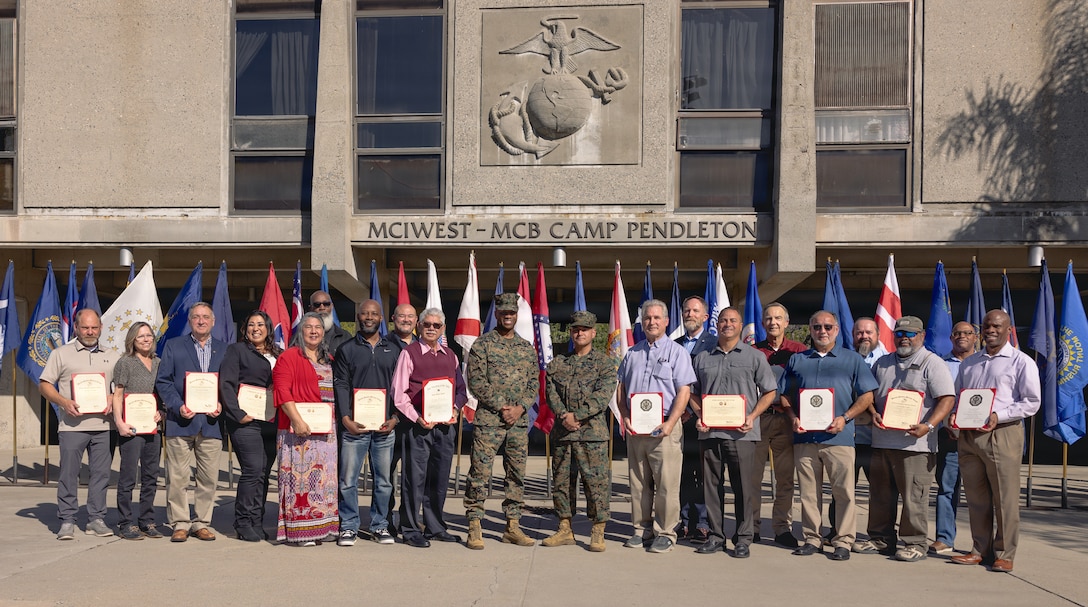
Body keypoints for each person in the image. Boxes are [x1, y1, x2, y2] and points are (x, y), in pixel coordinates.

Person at [779, 310, 878, 561]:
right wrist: (793, 418)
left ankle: (843, 540)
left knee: (843, 492)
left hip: (839, 439)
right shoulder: (797, 360)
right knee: (809, 494)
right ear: (810, 330)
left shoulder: (852, 359)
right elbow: (784, 395)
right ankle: (812, 538)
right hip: (805, 439)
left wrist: (845, 418)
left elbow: (867, 395)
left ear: (836, 329)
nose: (822, 331)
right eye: (816, 327)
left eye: (828, 327)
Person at [857, 316, 955, 562]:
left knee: (914, 497)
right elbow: (868, 394)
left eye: (910, 334)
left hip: (916, 445)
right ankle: (880, 539)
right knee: (880, 495)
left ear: (921, 336)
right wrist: (872, 413)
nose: (904, 338)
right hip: (881, 442)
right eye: (900, 333)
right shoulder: (882, 363)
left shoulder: (932, 363)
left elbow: (947, 399)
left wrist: (929, 425)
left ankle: (915, 543)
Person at [950, 309, 1040, 573]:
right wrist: (955, 415)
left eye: (997, 326)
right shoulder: (970, 363)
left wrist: (999, 415)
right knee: (976, 497)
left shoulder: (1021, 362)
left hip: (1002, 433)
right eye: (987, 325)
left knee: (1005, 498)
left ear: (1008, 330)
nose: (991, 330)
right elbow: (959, 396)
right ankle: (980, 549)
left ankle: (1004, 553)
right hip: (969, 436)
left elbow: (1032, 402)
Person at [689, 308, 777, 558]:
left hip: (743, 435)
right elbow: (691, 391)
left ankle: (743, 538)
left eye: (733, 320)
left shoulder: (755, 356)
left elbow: (770, 391)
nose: (728, 324)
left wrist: (752, 416)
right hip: (710, 433)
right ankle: (716, 536)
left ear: (741, 326)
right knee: (711, 487)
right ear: (717, 324)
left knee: (744, 488)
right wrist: (700, 415)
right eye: (723, 320)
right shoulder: (702, 357)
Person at [617, 299, 697, 554]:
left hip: (665, 428)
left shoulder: (677, 353)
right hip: (636, 430)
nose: (651, 322)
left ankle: (666, 532)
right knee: (638, 483)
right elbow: (621, 389)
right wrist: (625, 415)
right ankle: (641, 530)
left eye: (656, 318)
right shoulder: (632, 353)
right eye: (647, 318)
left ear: (666, 321)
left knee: (666, 484)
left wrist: (671, 422)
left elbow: (684, 391)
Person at [464, 293, 540, 549]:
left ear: (516, 315)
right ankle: (475, 524)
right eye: (503, 313)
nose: (508, 316)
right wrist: (502, 406)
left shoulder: (526, 348)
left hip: (517, 423)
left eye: (512, 313)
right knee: (480, 473)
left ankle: (512, 525)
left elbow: (533, 384)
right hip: (489, 421)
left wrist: (520, 408)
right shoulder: (482, 345)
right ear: (496, 314)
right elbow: (475, 382)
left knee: (516, 475)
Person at [541, 311, 617, 552]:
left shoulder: (605, 364)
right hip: (564, 434)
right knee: (562, 482)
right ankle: (565, 528)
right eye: (576, 329)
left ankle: (598, 529)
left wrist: (578, 416)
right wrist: (565, 415)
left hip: (591, 434)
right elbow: (550, 392)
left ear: (594, 333)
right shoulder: (559, 364)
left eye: (585, 329)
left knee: (595, 483)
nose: (580, 332)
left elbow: (602, 396)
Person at [392, 307, 468, 548]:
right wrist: (417, 418)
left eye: (437, 325)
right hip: (419, 427)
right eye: (427, 325)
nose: (432, 328)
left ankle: (435, 526)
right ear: (419, 327)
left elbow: (461, 390)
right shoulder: (409, 353)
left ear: (443, 329)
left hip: (445, 428)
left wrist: (455, 409)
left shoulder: (451, 355)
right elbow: (399, 393)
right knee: (414, 480)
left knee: (439, 478)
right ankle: (411, 528)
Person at [40, 309, 117, 540]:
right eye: (85, 328)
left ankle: (96, 518)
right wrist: (63, 402)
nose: (90, 332)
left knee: (101, 474)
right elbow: (44, 385)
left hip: (104, 426)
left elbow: (122, 386)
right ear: (76, 328)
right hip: (72, 426)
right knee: (68, 473)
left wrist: (114, 398)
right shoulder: (61, 354)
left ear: (101, 328)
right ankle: (67, 519)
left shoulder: (113, 355)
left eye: (94, 327)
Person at [334, 300, 404, 547]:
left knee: (384, 480)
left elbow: (401, 387)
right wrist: (345, 418)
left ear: (381, 317)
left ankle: (379, 525)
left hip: (385, 427)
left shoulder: (394, 349)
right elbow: (340, 384)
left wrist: (395, 417)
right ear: (357, 316)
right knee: (348, 480)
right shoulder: (346, 349)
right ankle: (349, 526)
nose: (369, 317)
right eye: (365, 313)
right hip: (355, 426)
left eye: (374, 313)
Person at [156, 302, 226, 543]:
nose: (201, 321)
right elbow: (163, 381)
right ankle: (180, 523)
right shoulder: (174, 346)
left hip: (211, 423)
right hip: (180, 422)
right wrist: (177, 406)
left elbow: (228, 385)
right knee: (177, 477)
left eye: (206, 317)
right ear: (190, 321)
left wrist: (221, 404)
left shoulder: (224, 349)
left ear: (213, 321)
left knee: (208, 478)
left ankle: (201, 522)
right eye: (196, 317)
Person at [272, 312, 340, 546]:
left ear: (324, 332)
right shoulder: (289, 357)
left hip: (327, 432)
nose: (313, 331)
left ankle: (324, 525)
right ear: (300, 331)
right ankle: (301, 530)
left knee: (325, 481)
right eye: (308, 327)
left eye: (318, 327)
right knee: (299, 482)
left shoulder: (328, 358)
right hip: (298, 431)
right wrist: (297, 420)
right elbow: (282, 391)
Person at [219, 310, 281, 542]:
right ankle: (242, 522)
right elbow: (226, 383)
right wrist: (238, 414)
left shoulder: (279, 353)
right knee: (252, 470)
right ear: (245, 329)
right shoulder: (237, 351)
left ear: (268, 328)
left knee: (264, 474)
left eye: (261, 324)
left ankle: (257, 520)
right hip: (246, 421)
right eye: (251, 324)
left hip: (272, 422)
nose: (256, 328)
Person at [752, 302, 806, 547]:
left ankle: (782, 528)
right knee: (752, 477)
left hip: (787, 419)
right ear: (763, 323)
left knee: (785, 478)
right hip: (758, 419)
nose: (773, 322)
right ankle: (750, 527)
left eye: (778, 318)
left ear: (786, 322)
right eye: (768, 318)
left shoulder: (800, 352)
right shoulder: (752, 352)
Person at [824, 314, 882, 544]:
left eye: (869, 332)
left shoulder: (886, 362)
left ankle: (877, 535)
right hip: (844, 435)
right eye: (859, 332)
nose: (864, 336)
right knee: (840, 489)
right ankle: (835, 530)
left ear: (877, 335)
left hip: (874, 439)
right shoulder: (842, 360)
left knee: (878, 491)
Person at [111, 322, 163, 540]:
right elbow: (118, 394)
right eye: (140, 336)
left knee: (151, 477)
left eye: (149, 335)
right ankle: (125, 522)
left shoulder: (159, 362)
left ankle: (147, 521)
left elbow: (162, 392)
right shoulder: (125, 362)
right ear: (132, 339)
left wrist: (161, 412)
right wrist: (119, 422)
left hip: (153, 428)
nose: (145, 339)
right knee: (128, 477)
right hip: (130, 428)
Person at [931, 321, 976, 555]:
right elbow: (937, 398)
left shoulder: (983, 363)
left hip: (979, 437)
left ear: (975, 337)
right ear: (950, 338)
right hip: (949, 436)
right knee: (947, 488)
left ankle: (984, 543)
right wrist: (945, 420)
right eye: (957, 333)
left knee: (982, 491)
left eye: (967, 333)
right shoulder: (940, 365)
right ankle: (944, 538)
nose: (962, 337)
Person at [675, 295, 715, 544]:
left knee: (703, 473)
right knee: (681, 473)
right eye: (687, 310)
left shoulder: (713, 344)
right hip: (679, 419)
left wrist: (697, 409)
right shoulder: (673, 344)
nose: (690, 314)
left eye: (695, 310)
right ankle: (683, 520)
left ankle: (702, 522)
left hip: (704, 418)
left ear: (705, 316)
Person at [386, 302, 417, 537]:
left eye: (410, 316)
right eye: (401, 316)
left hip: (416, 423)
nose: (405, 320)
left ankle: (410, 522)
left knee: (413, 477)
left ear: (416, 320)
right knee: (386, 475)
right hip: (389, 422)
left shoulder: (424, 344)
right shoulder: (383, 344)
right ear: (393, 318)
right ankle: (385, 521)